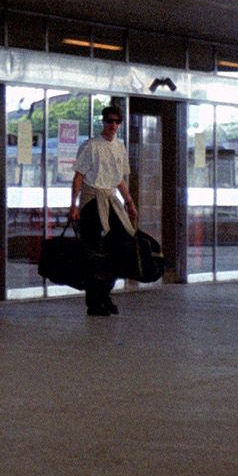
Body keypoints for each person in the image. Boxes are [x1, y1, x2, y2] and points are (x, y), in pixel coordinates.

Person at [68, 104, 138, 317]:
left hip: (111, 199)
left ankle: (105, 293)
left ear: (121, 124)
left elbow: (120, 179)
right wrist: (74, 205)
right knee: (94, 251)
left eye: (117, 121)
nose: (113, 125)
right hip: (92, 199)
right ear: (103, 121)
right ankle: (94, 302)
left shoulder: (120, 147)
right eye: (109, 120)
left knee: (121, 245)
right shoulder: (91, 146)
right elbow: (78, 177)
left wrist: (129, 202)